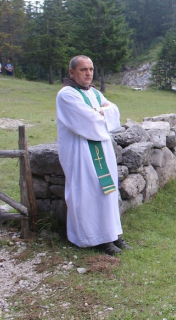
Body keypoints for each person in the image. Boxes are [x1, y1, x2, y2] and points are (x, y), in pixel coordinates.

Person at [56, 55, 131, 256]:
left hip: (101, 150)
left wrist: (100, 112)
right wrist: (101, 113)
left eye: (91, 69)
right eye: (83, 69)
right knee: (88, 193)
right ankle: (93, 238)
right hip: (80, 153)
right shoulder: (67, 95)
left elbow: (115, 113)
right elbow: (90, 122)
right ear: (72, 72)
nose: (88, 73)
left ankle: (112, 234)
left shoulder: (95, 93)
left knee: (107, 192)